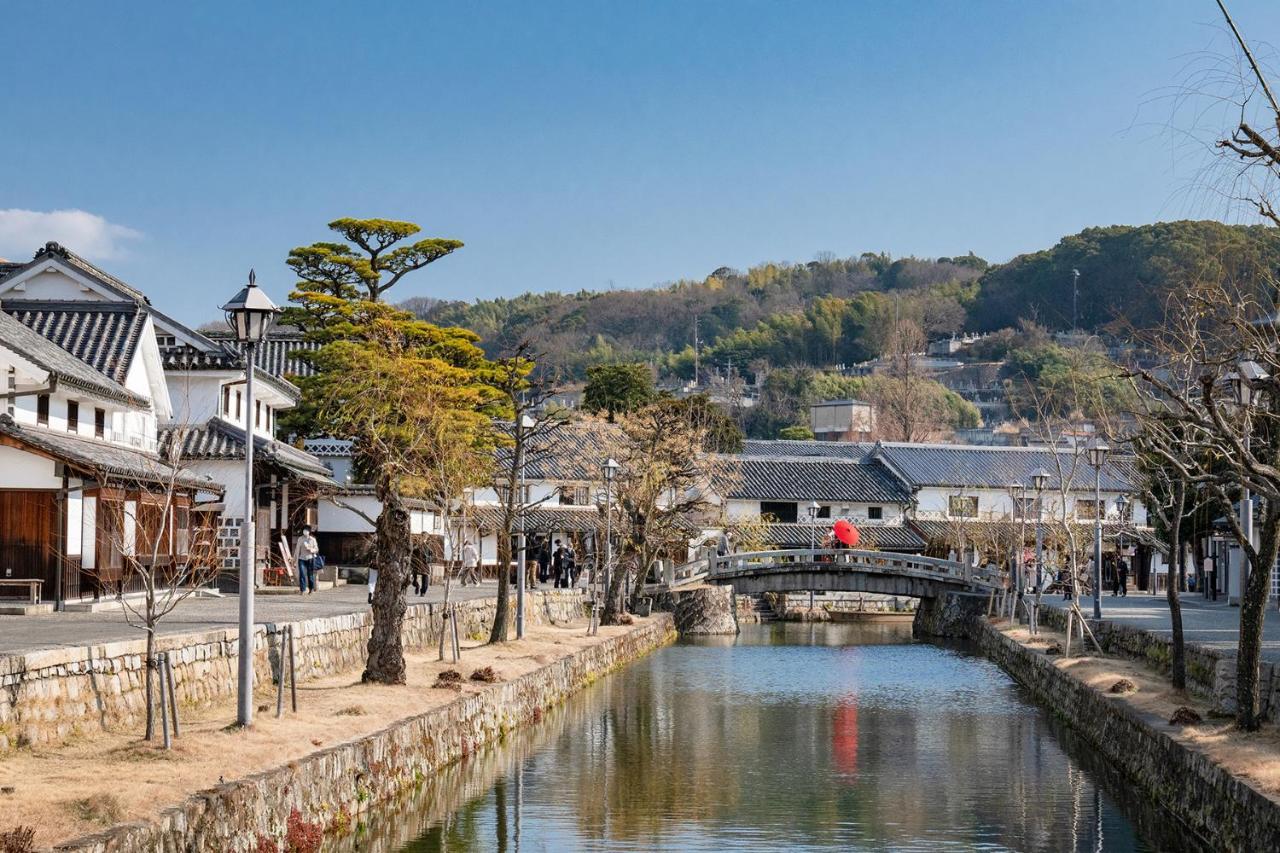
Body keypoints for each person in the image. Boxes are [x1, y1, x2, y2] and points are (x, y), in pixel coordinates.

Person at [294, 525, 320, 595]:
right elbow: (297, 550)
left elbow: (317, 549)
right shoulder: (300, 539)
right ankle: (302, 590)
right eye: (304, 530)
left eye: (306, 530)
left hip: (310, 558)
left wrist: (311, 549)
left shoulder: (312, 539)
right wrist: (294, 559)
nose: (305, 531)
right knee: (302, 574)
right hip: (301, 558)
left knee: (310, 574)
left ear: (309, 531)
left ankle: (311, 589)